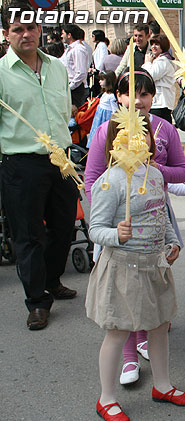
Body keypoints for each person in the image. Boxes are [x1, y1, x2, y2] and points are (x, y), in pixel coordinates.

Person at [86, 113, 185, 421]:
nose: (137, 139)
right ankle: (106, 398)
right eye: (128, 134)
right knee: (118, 331)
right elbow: (95, 228)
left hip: (155, 266)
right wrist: (114, 234)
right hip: (123, 269)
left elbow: (162, 216)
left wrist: (173, 242)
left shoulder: (157, 176)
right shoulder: (109, 180)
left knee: (160, 326)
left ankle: (162, 386)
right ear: (115, 142)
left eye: (143, 133)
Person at [0, 0, 78, 330]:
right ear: (7, 34)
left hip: (61, 161)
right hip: (21, 164)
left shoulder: (57, 68)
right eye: (18, 29)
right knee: (28, 234)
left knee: (64, 227)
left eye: (31, 27)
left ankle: (53, 279)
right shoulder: (2, 74)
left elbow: (64, 113)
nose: (26, 34)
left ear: (40, 30)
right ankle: (37, 300)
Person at [142, 34, 176, 123]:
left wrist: (147, 63)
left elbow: (150, 75)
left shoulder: (163, 61)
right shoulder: (161, 60)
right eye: (152, 44)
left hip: (160, 103)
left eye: (157, 44)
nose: (153, 47)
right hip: (160, 102)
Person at [60, 24, 91, 107]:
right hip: (70, 87)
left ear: (69, 35)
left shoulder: (78, 49)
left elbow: (81, 72)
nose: (61, 36)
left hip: (76, 89)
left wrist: (70, 87)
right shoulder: (69, 49)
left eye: (63, 33)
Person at [87, 70, 118, 147]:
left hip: (105, 118)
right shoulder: (104, 93)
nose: (99, 82)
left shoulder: (111, 96)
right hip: (99, 118)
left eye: (102, 80)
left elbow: (115, 110)